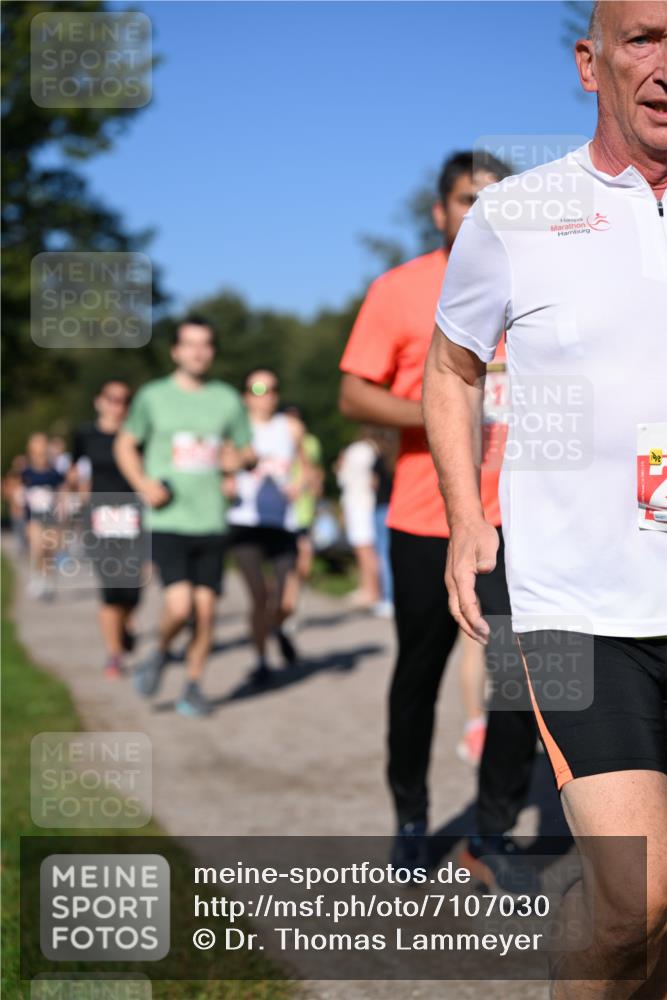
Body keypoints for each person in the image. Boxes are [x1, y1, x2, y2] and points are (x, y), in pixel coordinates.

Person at [423, 3, 667, 994]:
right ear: (589, 61)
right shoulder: (514, 216)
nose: (665, 65)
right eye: (644, 37)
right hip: (579, 607)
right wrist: (464, 516)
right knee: (636, 900)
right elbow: (450, 369)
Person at [339, 150, 539, 877]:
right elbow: (354, 395)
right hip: (427, 519)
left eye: (494, 199)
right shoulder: (399, 289)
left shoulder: (539, 282)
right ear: (440, 211)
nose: (479, 210)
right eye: (464, 199)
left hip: (522, 520)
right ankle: (412, 817)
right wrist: (443, 410)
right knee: (418, 674)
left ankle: (491, 831)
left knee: (521, 679)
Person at [114, 317, 255, 717]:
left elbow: (247, 451)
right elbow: (125, 444)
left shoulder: (227, 399)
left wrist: (239, 459)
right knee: (179, 607)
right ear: (175, 351)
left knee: (206, 612)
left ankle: (192, 687)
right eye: (190, 344)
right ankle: (159, 653)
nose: (198, 351)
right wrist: (141, 483)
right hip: (169, 519)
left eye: (205, 344)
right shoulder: (153, 397)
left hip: (211, 519)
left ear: (212, 351)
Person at [227, 369, 307, 684]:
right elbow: (222, 462)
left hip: (282, 522)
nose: (266, 395)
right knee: (259, 596)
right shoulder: (236, 429)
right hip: (245, 521)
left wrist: (300, 483)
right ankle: (261, 660)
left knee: (286, 601)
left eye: (272, 389)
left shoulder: (291, 427)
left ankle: (277, 627)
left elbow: (308, 469)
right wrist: (227, 478)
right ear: (246, 394)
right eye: (258, 388)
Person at [69, 379, 142, 680]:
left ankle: (125, 624)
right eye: (112, 399)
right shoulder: (85, 435)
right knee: (111, 587)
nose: (117, 405)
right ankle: (114, 654)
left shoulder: (137, 436)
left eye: (124, 400)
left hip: (134, 517)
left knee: (133, 590)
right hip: (99, 517)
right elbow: (74, 471)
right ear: (99, 401)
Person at [282, 403, 325, 627]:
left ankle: (292, 603)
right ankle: (283, 607)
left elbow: (316, 473)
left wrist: (316, 498)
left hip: (304, 510)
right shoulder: (274, 439)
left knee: (303, 563)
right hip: (280, 513)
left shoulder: (311, 443)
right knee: (285, 563)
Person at [336, 431, 381, 610]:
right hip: (361, 501)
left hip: (360, 502)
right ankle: (368, 588)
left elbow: (347, 478)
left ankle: (371, 590)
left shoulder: (359, 451)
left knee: (364, 548)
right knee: (365, 548)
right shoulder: (368, 449)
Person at [21, 432, 65, 599]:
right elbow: (23, 497)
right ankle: (37, 578)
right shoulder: (26, 472)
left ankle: (49, 581)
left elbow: (62, 492)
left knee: (49, 550)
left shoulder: (54, 473)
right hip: (34, 517)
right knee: (37, 548)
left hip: (51, 516)